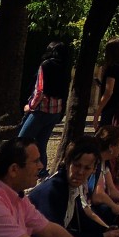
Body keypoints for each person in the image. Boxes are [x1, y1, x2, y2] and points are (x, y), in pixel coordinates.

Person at [0, 136, 79, 237]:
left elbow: (50, 231)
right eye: (35, 161)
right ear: (14, 170)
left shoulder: (16, 197)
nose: (41, 166)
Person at [29, 137, 119, 237]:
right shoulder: (53, 190)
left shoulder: (74, 186)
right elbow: (54, 236)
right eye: (76, 165)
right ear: (67, 163)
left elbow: (81, 218)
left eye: (87, 168)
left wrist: (105, 231)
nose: (80, 172)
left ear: (94, 169)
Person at [19, 40, 72, 180]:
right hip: (56, 111)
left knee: (21, 140)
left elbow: (39, 90)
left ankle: (18, 170)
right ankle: (42, 174)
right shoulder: (65, 67)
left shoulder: (46, 65)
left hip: (42, 109)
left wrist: (29, 106)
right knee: (41, 142)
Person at [93, 37, 119, 129]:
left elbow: (108, 92)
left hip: (111, 109)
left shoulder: (112, 67)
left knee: (106, 138)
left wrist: (97, 113)